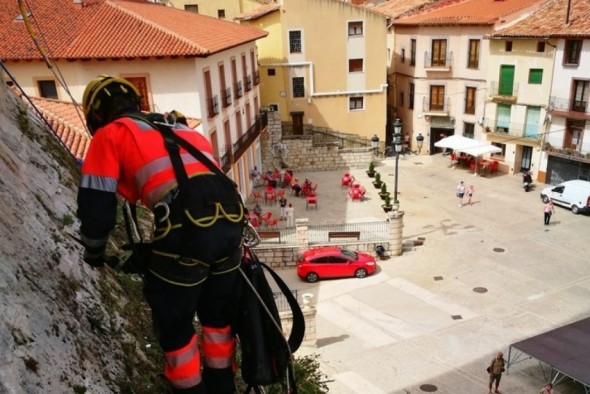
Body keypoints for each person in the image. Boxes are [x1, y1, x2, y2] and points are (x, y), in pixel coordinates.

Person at [77, 75, 244, 394]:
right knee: (217, 318)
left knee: (177, 327)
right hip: (231, 223)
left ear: (96, 115)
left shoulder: (111, 134)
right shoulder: (180, 128)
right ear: (136, 102)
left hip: (187, 231)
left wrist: (95, 253)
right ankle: (223, 388)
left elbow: (96, 207)